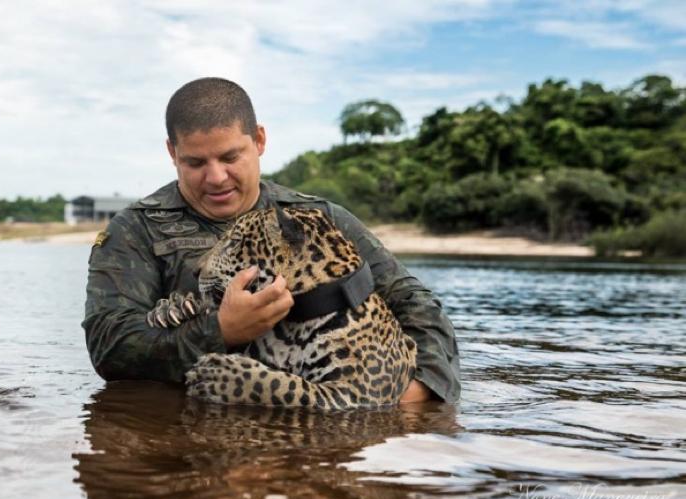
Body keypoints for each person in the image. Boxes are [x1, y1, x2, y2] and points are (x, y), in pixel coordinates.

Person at [83, 78, 460, 404]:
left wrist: (416, 391)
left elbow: (417, 305)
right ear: (172, 153)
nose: (216, 177)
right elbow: (109, 346)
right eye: (195, 163)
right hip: (184, 435)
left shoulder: (319, 220)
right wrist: (221, 332)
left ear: (259, 140)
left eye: (231, 156)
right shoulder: (136, 229)